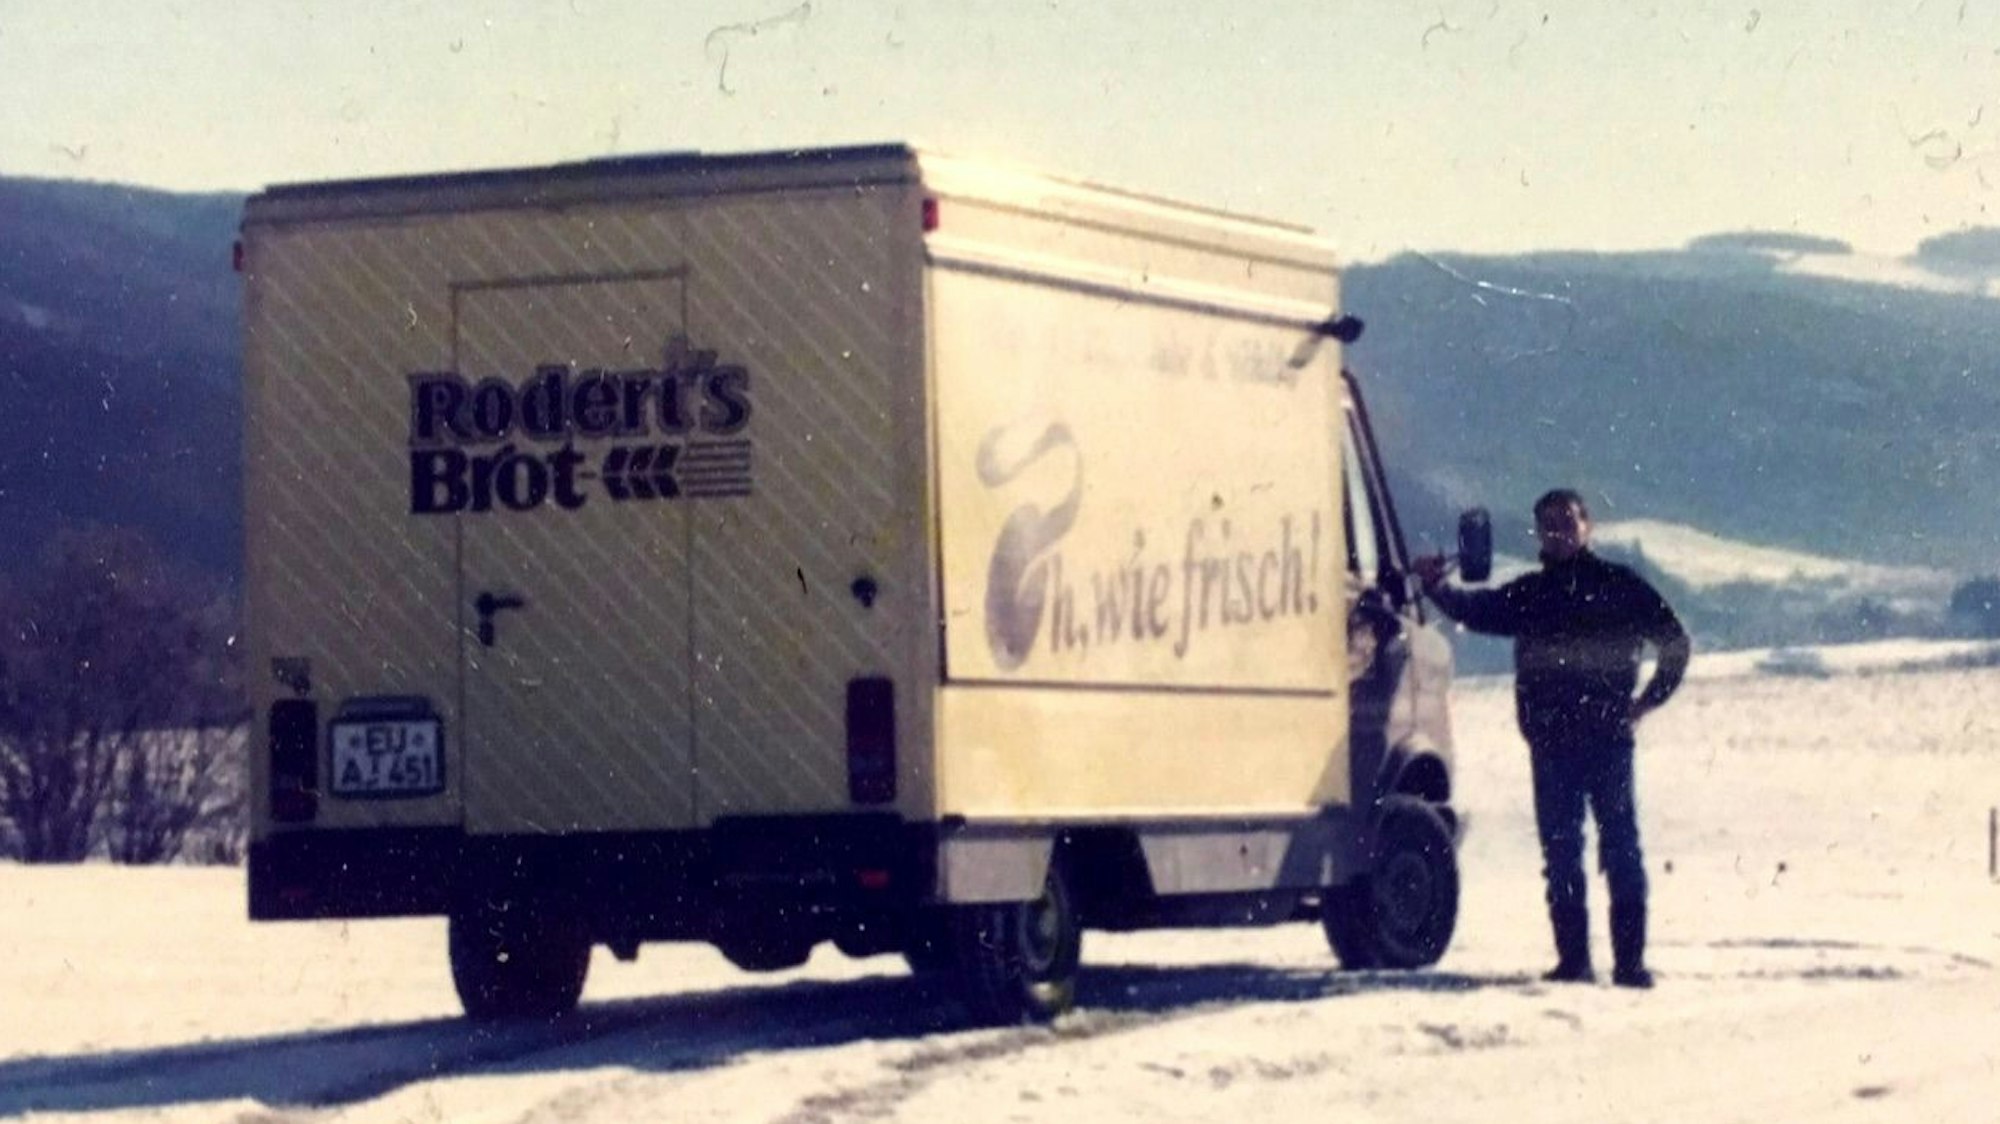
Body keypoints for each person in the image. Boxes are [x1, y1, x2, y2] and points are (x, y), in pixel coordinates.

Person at [1414, 489, 1690, 989]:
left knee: (1620, 849)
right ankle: (1574, 963)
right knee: (1562, 855)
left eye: (1567, 522)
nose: (1559, 532)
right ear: (1540, 533)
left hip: (1607, 741)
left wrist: (1648, 702)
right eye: (1549, 524)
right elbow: (1477, 611)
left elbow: (1676, 643)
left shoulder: (1619, 586)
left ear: (1588, 526)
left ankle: (1630, 965)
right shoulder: (1533, 594)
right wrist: (1434, 587)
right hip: (1552, 745)